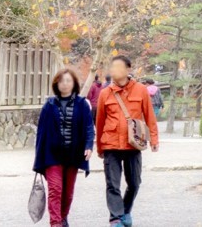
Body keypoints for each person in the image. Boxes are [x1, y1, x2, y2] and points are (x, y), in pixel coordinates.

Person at [96, 55, 159, 227]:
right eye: (112, 67)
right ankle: (115, 218)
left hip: (133, 144)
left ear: (128, 69)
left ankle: (125, 211)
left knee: (135, 183)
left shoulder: (140, 90)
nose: (114, 70)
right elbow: (100, 121)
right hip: (111, 143)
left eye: (118, 67)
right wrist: (99, 147)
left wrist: (154, 138)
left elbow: (149, 115)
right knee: (112, 184)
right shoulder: (104, 93)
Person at [34, 67, 95, 227]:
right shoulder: (49, 104)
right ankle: (55, 223)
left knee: (67, 194)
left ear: (74, 83)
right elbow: (41, 131)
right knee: (55, 190)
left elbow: (89, 127)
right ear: (56, 83)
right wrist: (39, 157)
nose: (65, 84)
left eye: (68, 80)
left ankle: (62, 217)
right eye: (61, 81)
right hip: (52, 155)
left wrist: (89, 146)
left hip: (73, 155)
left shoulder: (82, 104)